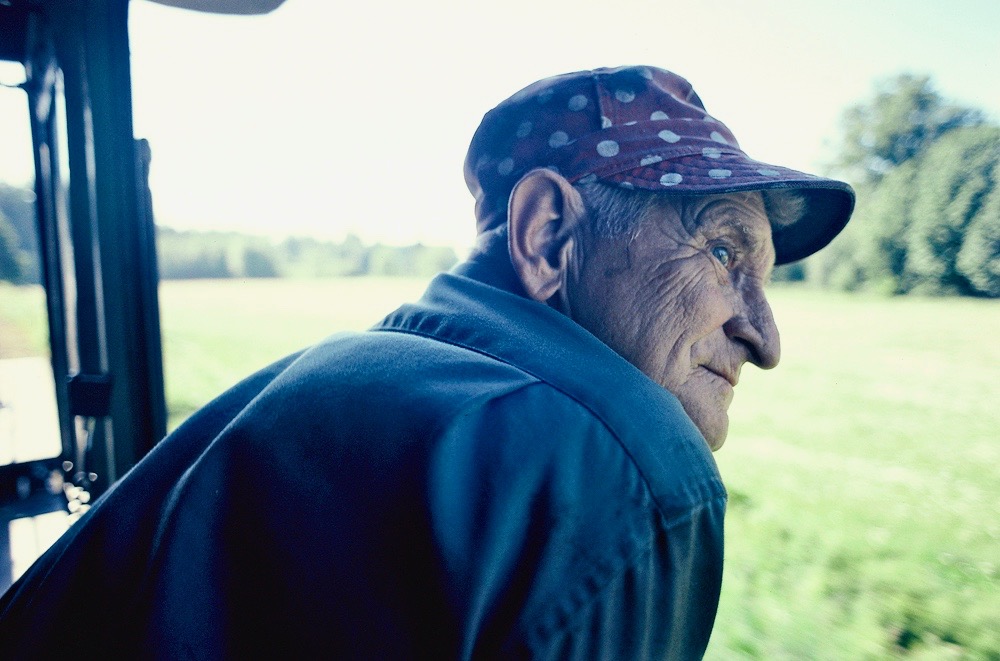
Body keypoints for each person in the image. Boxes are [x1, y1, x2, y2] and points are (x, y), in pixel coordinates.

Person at [0, 66, 853, 659]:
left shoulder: (350, 367)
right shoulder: (615, 468)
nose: (766, 339)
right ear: (549, 233)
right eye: (721, 252)